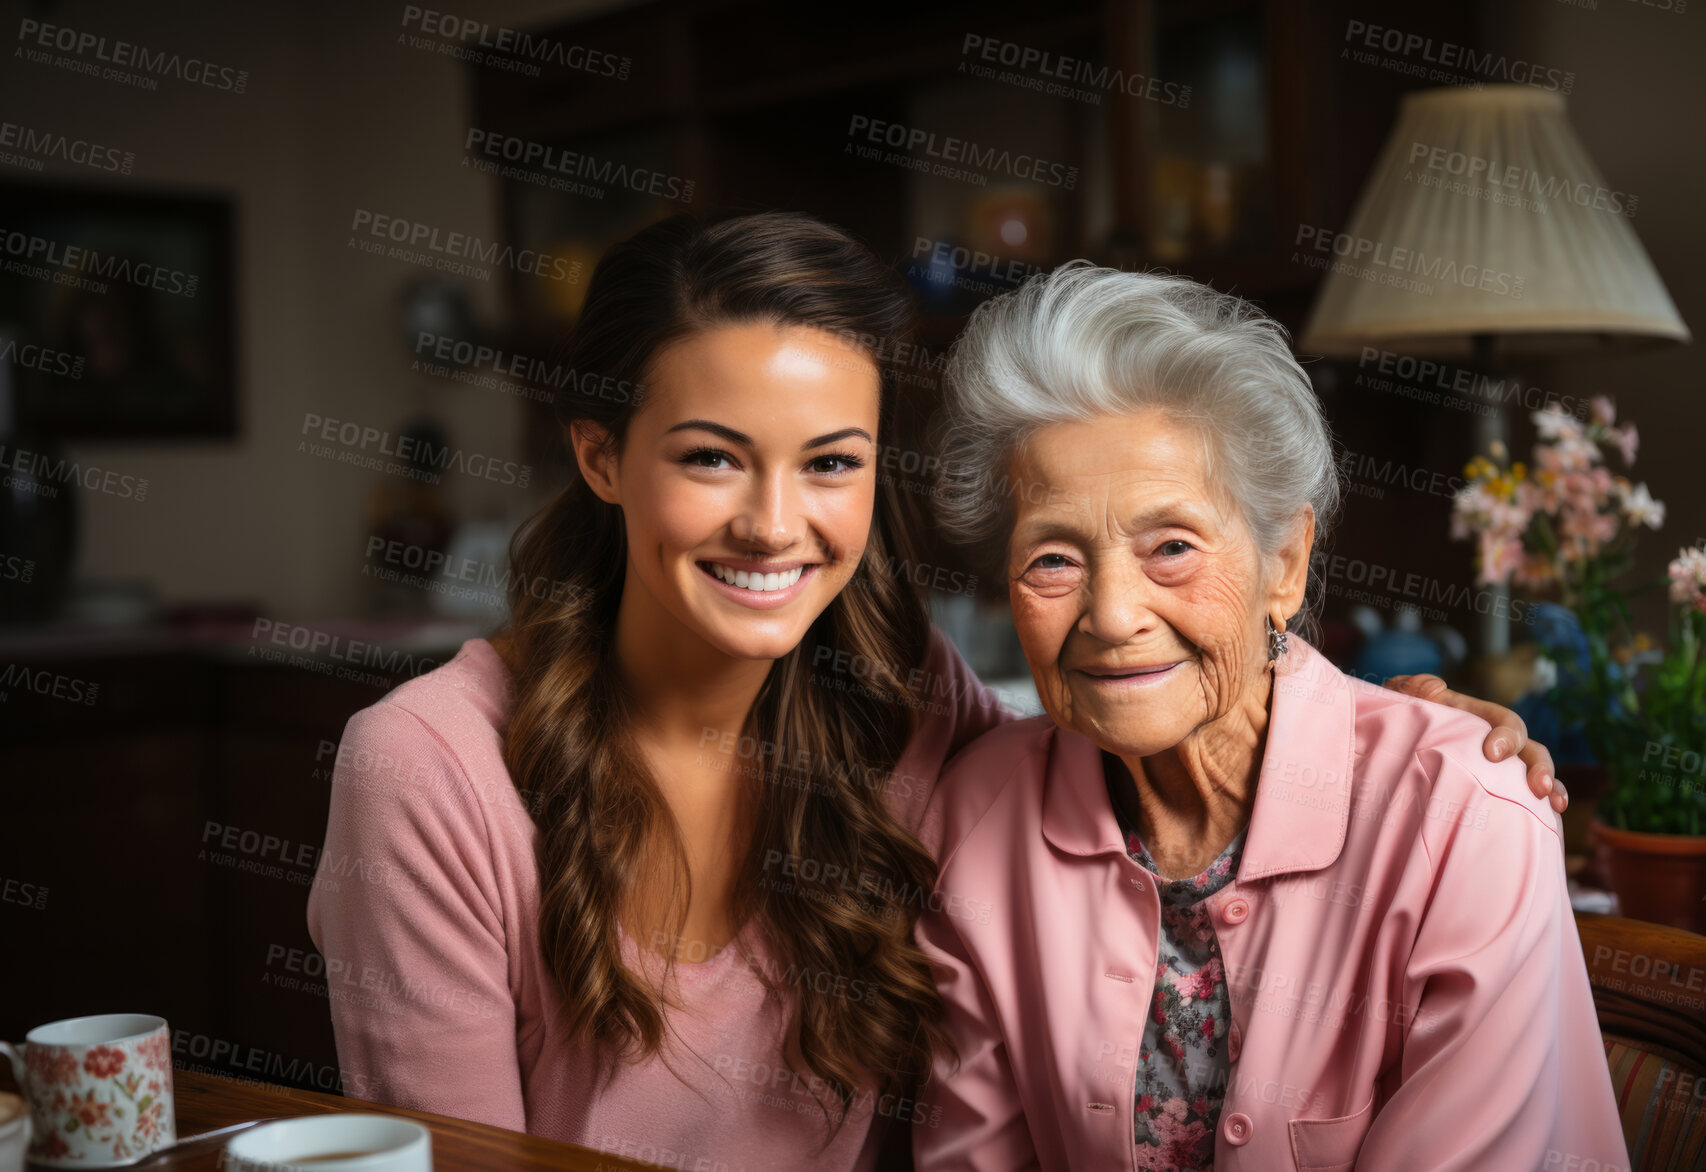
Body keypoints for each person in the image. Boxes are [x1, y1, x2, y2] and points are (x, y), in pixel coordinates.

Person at [306, 214, 1565, 1171]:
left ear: (1286, 557)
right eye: (708, 457)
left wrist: (1405, 741)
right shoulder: (429, 769)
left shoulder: (893, 697)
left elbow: (1119, 721)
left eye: (830, 462)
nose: (772, 524)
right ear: (599, 454)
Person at [913, 263, 1627, 1172]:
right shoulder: (976, 817)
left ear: (1283, 565)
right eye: (1053, 559)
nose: (1111, 615)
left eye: (1170, 546)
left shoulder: (1463, 819)